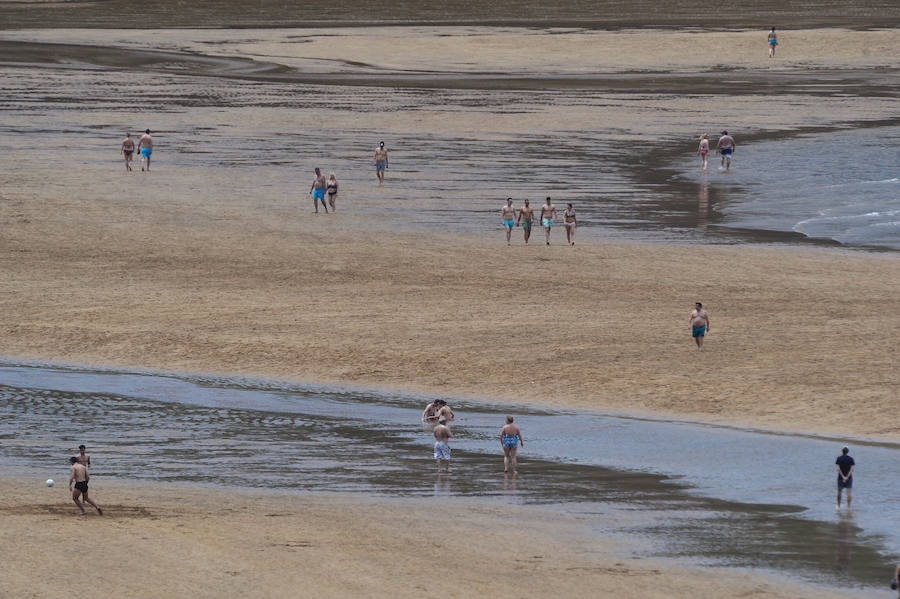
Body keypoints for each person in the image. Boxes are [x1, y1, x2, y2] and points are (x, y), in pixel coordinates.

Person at [836, 445, 855, 510]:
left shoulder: (839, 458)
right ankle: (848, 507)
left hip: (840, 478)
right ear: (848, 451)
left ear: (842, 451)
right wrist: (846, 477)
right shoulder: (851, 459)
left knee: (839, 492)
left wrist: (843, 477)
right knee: (849, 493)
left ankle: (838, 506)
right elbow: (852, 470)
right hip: (849, 478)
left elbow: (838, 469)